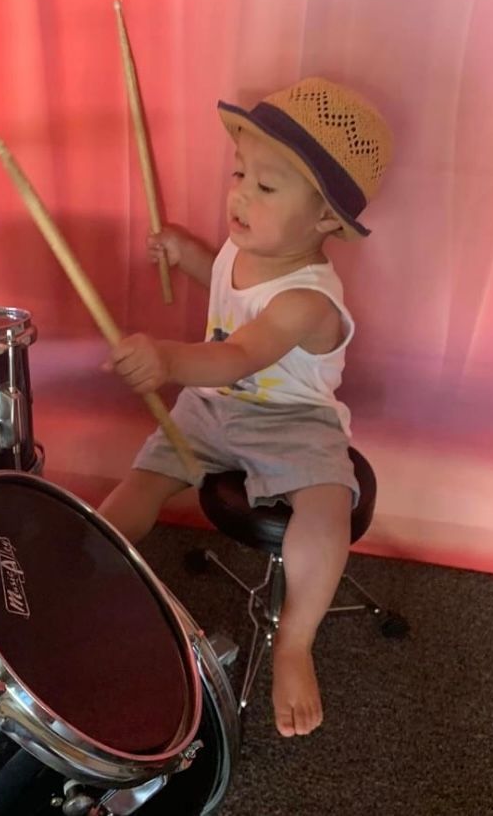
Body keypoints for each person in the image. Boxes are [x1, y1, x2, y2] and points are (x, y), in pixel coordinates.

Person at [99, 76, 392, 737]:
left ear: (324, 220)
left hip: (292, 419)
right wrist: (187, 252)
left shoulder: (308, 301)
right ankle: (83, 559)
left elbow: (239, 353)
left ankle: (294, 642)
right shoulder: (248, 243)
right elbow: (224, 280)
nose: (240, 194)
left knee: (325, 506)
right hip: (212, 405)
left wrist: (169, 361)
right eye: (239, 174)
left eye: (264, 187)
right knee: (141, 482)